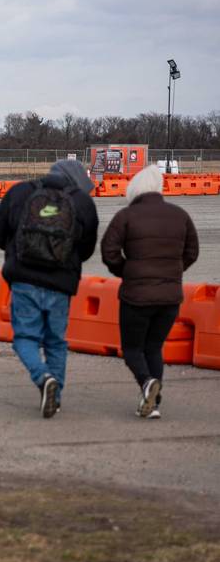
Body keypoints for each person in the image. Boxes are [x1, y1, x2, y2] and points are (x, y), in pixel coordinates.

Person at [0, 159, 99, 418]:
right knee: (56, 342)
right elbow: (86, 250)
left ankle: (42, 377)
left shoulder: (20, 192)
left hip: (24, 280)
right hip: (61, 285)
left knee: (25, 338)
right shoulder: (83, 203)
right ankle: (55, 396)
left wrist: (16, 250)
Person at [100, 166, 199, 419]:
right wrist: (172, 273)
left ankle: (146, 384)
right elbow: (192, 252)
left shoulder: (126, 216)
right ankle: (153, 404)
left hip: (136, 297)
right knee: (154, 348)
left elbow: (108, 251)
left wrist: (126, 271)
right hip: (170, 297)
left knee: (132, 349)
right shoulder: (180, 215)